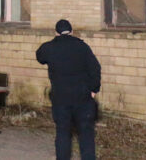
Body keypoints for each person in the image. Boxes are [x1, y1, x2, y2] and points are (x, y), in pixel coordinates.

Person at [36, 19, 101, 160]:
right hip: (83, 98)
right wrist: (94, 89)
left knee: (63, 134)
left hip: (61, 99)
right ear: (71, 32)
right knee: (86, 135)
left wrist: (55, 42)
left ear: (56, 33)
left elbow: (39, 56)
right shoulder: (82, 47)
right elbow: (95, 68)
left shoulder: (49, 48)